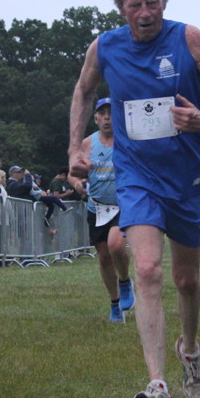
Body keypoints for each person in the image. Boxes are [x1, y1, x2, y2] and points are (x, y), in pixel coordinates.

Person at [68, 0, 200, 398]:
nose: (145, 13)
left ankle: (190, 350)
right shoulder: (105, 46)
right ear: (121, 9)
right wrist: (74, 148)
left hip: (186, 175)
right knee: (146, 269)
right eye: (135, 5)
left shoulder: (188, 38)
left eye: (153, 3)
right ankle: (157, 386)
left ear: (164, 3)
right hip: (137, 174)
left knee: (186, 280)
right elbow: (83, 92)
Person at [70, 98, 135, 322]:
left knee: (116, 245)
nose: (107, 118)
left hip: (122, 204)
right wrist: (77, 184)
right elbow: (73, 173)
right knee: (105, 258)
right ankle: (115, 303)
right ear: (96, 118)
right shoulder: (87, 144)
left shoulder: (127, 141)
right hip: (96, 207)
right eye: (102, 113)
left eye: (111, 113)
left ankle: (125, 281)